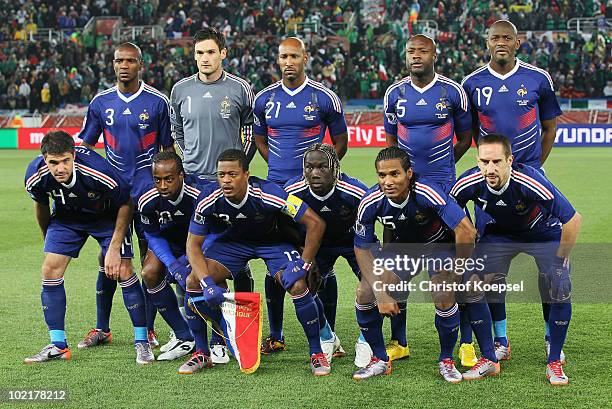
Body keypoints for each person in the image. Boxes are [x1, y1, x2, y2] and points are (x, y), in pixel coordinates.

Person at [461, 20, 563, 360]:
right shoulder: (472, 83)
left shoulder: (538, 78)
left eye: (507, 37)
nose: (501, 42)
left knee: (549, 269)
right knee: (491, 271)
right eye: (495, 38)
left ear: (518, 42)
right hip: (491, 186)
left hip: (530, 185)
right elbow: (469, 132)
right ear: (486, 43)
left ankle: (551, 336)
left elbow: (549, 128)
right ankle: (501, 339)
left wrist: (535, 168)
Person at [181, 149, 329, 376]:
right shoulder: (208, 198)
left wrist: (304, 264)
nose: (226, 180)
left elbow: (316, 223)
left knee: (298, 284)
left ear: (247, 174)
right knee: (193, 281)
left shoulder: (269, 193)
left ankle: (316, 353)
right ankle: (201, 352)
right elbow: (193, 245)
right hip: (233, 244)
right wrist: (207, 282)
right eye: (221, 175)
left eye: (232, 174)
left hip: (273, 243)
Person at [450, 134, 580, 385]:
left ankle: (553, 359)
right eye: (484, 161)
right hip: (500, 234)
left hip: (542, 232)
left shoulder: (530, 181)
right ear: (477, 161)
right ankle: (490, 357)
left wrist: (561, 262)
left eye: (497, 161)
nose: (490, 168)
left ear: (510, 160)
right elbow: (452, 209)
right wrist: (466, 232)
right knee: (472, 283)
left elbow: (572, 220)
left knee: (559, 285)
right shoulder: (467, 182)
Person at [383, 34, 475, 365]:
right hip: (402, 194)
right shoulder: (394, 94)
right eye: (411, 51)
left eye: (423, 50)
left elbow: (465, 136)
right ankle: (399, 341)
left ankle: (465, 342)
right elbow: (392, 143)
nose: (416, 56)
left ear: (434, 54)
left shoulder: (453, 92)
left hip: (443, 191)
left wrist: (444, 172)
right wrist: (400, 178)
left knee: (453, 271)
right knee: (396, 265)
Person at [252, 37, 348, 353]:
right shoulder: (264, 99)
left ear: (305, 57)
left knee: (322, 263)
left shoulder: (324, 98)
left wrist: (316, 176)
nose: (289, 61)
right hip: (277, 191)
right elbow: (261, 141)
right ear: (277, 60)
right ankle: (276, 335)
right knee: (275, 262)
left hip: (312, 194)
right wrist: (280, 173)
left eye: (294, 55)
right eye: (283, 56)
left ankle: (329, 335)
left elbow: (340, 142)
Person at [24, 131, 153, 364]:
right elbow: (41, 206)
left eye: (65, 161)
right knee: (50, 268)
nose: (60, 168)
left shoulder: (97, 170)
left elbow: (126, 203)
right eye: (53, 162)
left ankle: (142, 341)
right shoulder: (35, 175)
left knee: (123, 270)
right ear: (45, 160)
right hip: (67, 218)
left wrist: (113, 249)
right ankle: (58, 345)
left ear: (73, 156)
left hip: (107, 216)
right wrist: (49, 239)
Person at [352, 147, 478, 382]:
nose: (387, 181)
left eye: (394, 174)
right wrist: (381, 292)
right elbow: (362, 248)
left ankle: (446, 360)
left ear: (409, 174)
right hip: (405, 249)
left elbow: (467, 231)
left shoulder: (428, 192)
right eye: (382, 175)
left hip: (440, 246)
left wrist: (458, 271)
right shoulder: (370, 202)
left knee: (443, 290)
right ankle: (380, 359)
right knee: (365, 291)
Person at [78, 42, 174, 350]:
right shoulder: (101, 102)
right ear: (113, 64)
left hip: (149, 196)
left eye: (130, 61)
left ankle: (148, 329)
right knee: (108, 259)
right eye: (119, 60)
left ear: (140, 65)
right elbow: (85, 146)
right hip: (114, 197)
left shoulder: (158, 102)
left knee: (150, 263)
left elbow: (168, 151)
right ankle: (101, 327)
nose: (124, 65)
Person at [169, 27, 255, 358]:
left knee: (233, 256)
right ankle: (204, 338)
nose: (205, 58)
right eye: (199, 53)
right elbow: (177, 131)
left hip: (228, 186)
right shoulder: (180, 90)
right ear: (194, 56)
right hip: (193, 183)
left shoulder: (240, 88)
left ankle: (236, 331)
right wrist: (186, 161)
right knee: (192, 258)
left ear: (223, 53)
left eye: (210, 52)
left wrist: (239, 168)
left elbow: (249, 129)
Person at [284, 143, 369, 366]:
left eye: (322, 167)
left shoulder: (356, 191)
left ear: (335, 169)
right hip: (316, 245)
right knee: (301, 282)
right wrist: (304, 255)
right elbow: (285, 226)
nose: (315, 173)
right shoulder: (292, 192)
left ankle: (366, 338)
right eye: (309, 167)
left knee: (373, 282)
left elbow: (373, 219)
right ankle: (326, 337)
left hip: (353, 242)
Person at [136, 151, 205, 362]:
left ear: (182, 175)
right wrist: (173, 265)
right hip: (168, 245)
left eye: (169, 179)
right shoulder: (147, 199)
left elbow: (212, 232)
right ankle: (184, 336)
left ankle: (218, 341)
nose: (163, 185)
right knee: (149, 273)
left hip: (200, 244)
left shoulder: (200, 193)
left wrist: (187, 260)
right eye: (157, 180)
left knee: (199, 277)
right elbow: (152, 235)